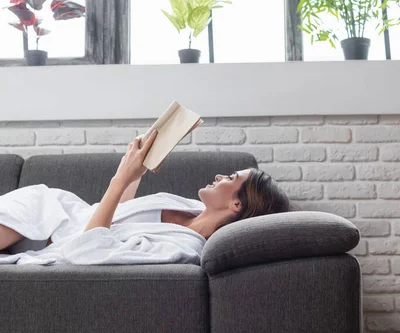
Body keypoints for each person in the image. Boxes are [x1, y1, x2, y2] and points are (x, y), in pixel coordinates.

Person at [0, 130, 293, 257]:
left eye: (231, 177)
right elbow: (121, 218)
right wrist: (133, 176)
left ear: (236, 204)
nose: (220, 176)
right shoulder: (189, 208)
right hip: (56, 209)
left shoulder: (183, 247)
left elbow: (85, 249)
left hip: (54, 236)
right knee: (30, 206)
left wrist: (119, 179)